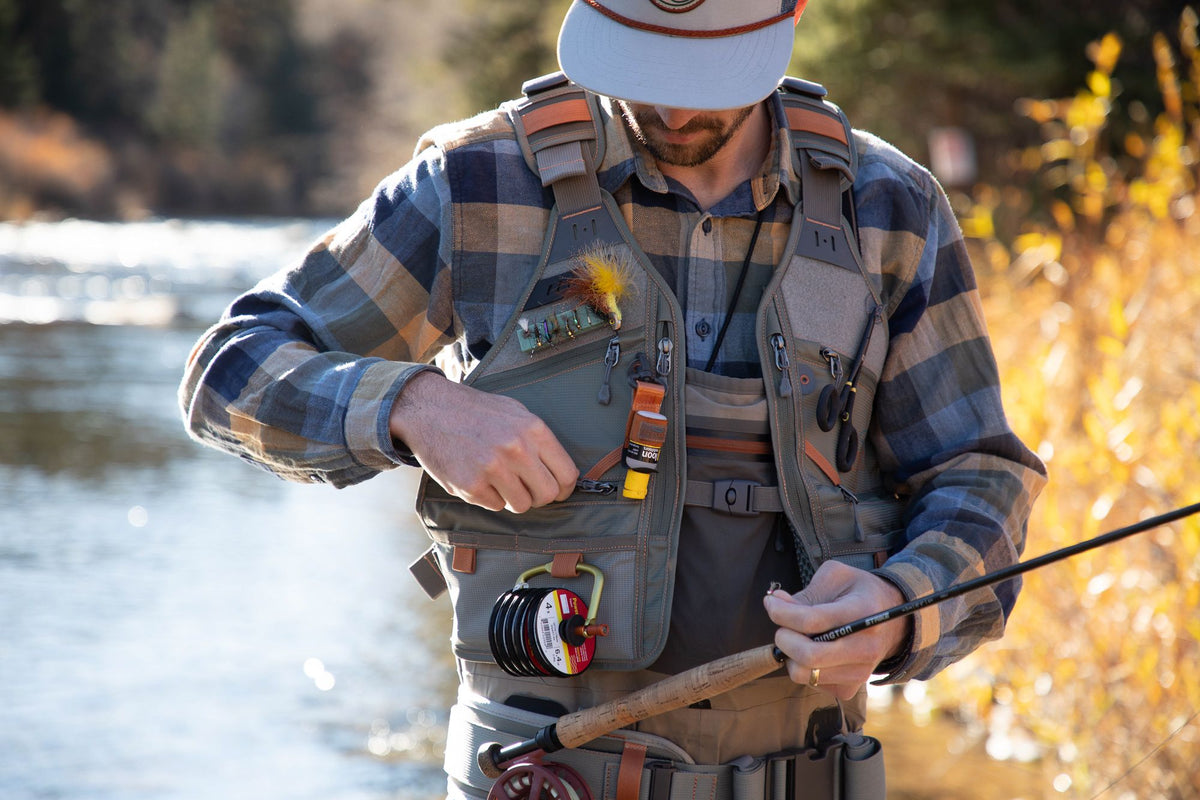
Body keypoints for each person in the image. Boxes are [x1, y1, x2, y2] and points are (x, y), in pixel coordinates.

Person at [180, 0, 1046, 797]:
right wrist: (414, 406)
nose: (671, 114)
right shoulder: (476, 185)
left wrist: (904, 608)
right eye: (644, 73)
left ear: (791, 18)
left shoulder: (891, 211)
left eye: (707, 83)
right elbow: (230, 371)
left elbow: (980, 473)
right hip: (541, 775)